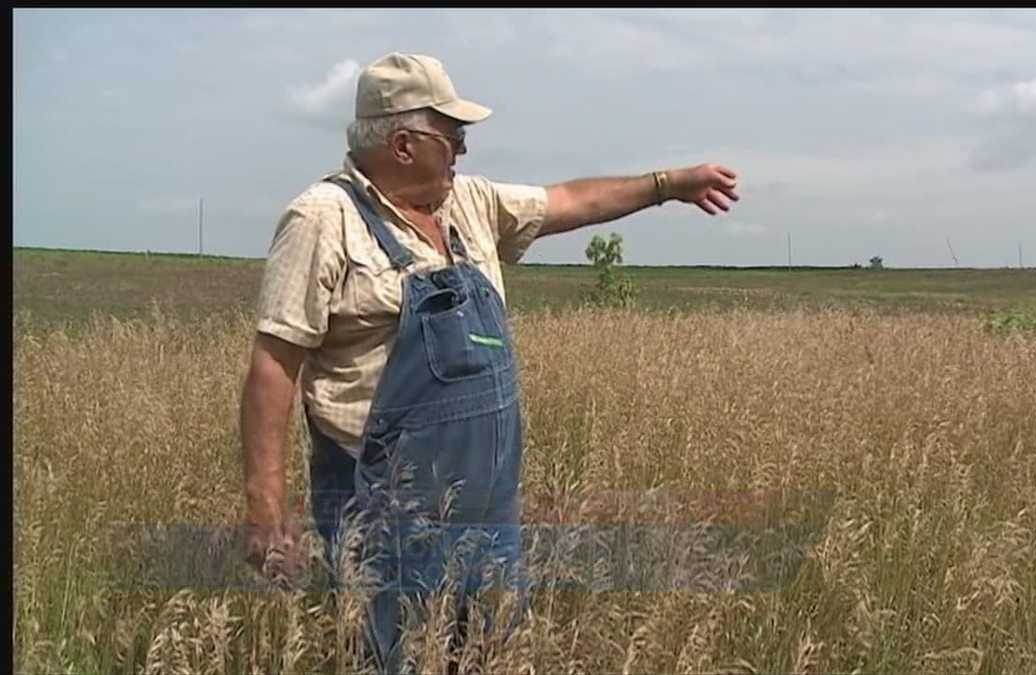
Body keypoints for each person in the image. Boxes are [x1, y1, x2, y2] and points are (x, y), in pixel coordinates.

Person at [239, 52, 739, 673]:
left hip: (487, 513)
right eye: (453, 136)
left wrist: (667, 186)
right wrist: (267, 511)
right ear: (403, 143)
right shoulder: (323, 220)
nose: (463, 151)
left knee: (487, 656)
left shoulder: (469, 204)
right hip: (383, 517)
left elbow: (570, 201)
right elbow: (273, 365)